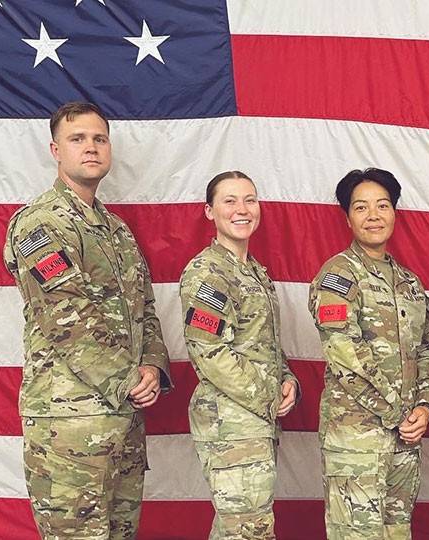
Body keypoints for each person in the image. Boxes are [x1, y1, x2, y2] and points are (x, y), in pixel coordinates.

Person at [3, 101, 172, 539]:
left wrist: (152, 366)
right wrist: (128, 379)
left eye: (99, 138)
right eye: (78, 139)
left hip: (123, 419)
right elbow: (65, 316)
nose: (91, 148)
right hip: (70, 425)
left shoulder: (117, 231)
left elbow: (145, 311)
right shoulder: (41, 223)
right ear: (56, 150)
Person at [308, 168, 429, 539]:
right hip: (356, 441)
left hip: (405, 438)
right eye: (361, 207)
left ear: (394, 212)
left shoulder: (409, 282)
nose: (374, 215)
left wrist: (425, 407)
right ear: (347, 217)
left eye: (383, 205)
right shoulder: (338, 276)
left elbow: (426, 351)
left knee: (397, 532)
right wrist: (401, 413)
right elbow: (346, 357)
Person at [180, 170, 300, 539]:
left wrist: (287, 379)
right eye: (229, 201)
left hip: (251, 421)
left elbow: (264, 344)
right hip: (230, 423)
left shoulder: (252, 271)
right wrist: (269, 393)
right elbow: (209, 351)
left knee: (240, 528)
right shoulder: (208, 273)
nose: (242, 209)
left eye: (249, 199)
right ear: (209, 211)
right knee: (248, 530)